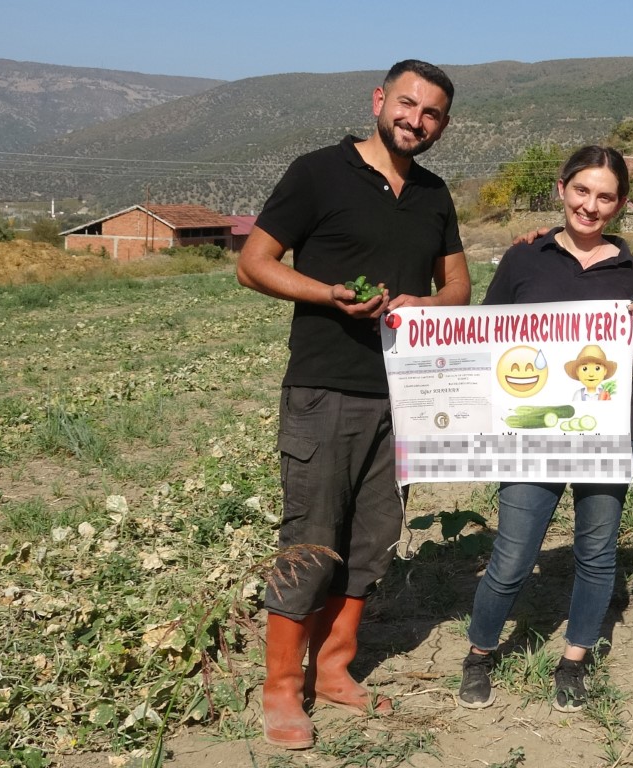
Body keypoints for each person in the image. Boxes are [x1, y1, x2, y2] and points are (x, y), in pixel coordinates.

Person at [236, 59, 471, 749]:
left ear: (442, 125)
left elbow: (457, 283)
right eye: (406, 104)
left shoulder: (432, 193)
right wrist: (327, 293)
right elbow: (253, 262)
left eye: (430, 114)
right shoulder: (317, 172)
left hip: (406, 395)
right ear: (378, 100)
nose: (414, 121)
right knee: (310, 538)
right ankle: (280, 688)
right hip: (324, 387)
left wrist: (425, 304)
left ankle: (333, 669)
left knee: (371, 540)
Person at [459, 146, 633, 713]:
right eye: (581, 191)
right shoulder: (525, 258)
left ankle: (573, 661)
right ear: (562, 188)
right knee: (513, 555)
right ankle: (480, 653)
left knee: (597, 555)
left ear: (620, 204)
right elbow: (486, 339)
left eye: (605, 197)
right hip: (531, 434)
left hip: (606, 434)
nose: (590, 206)